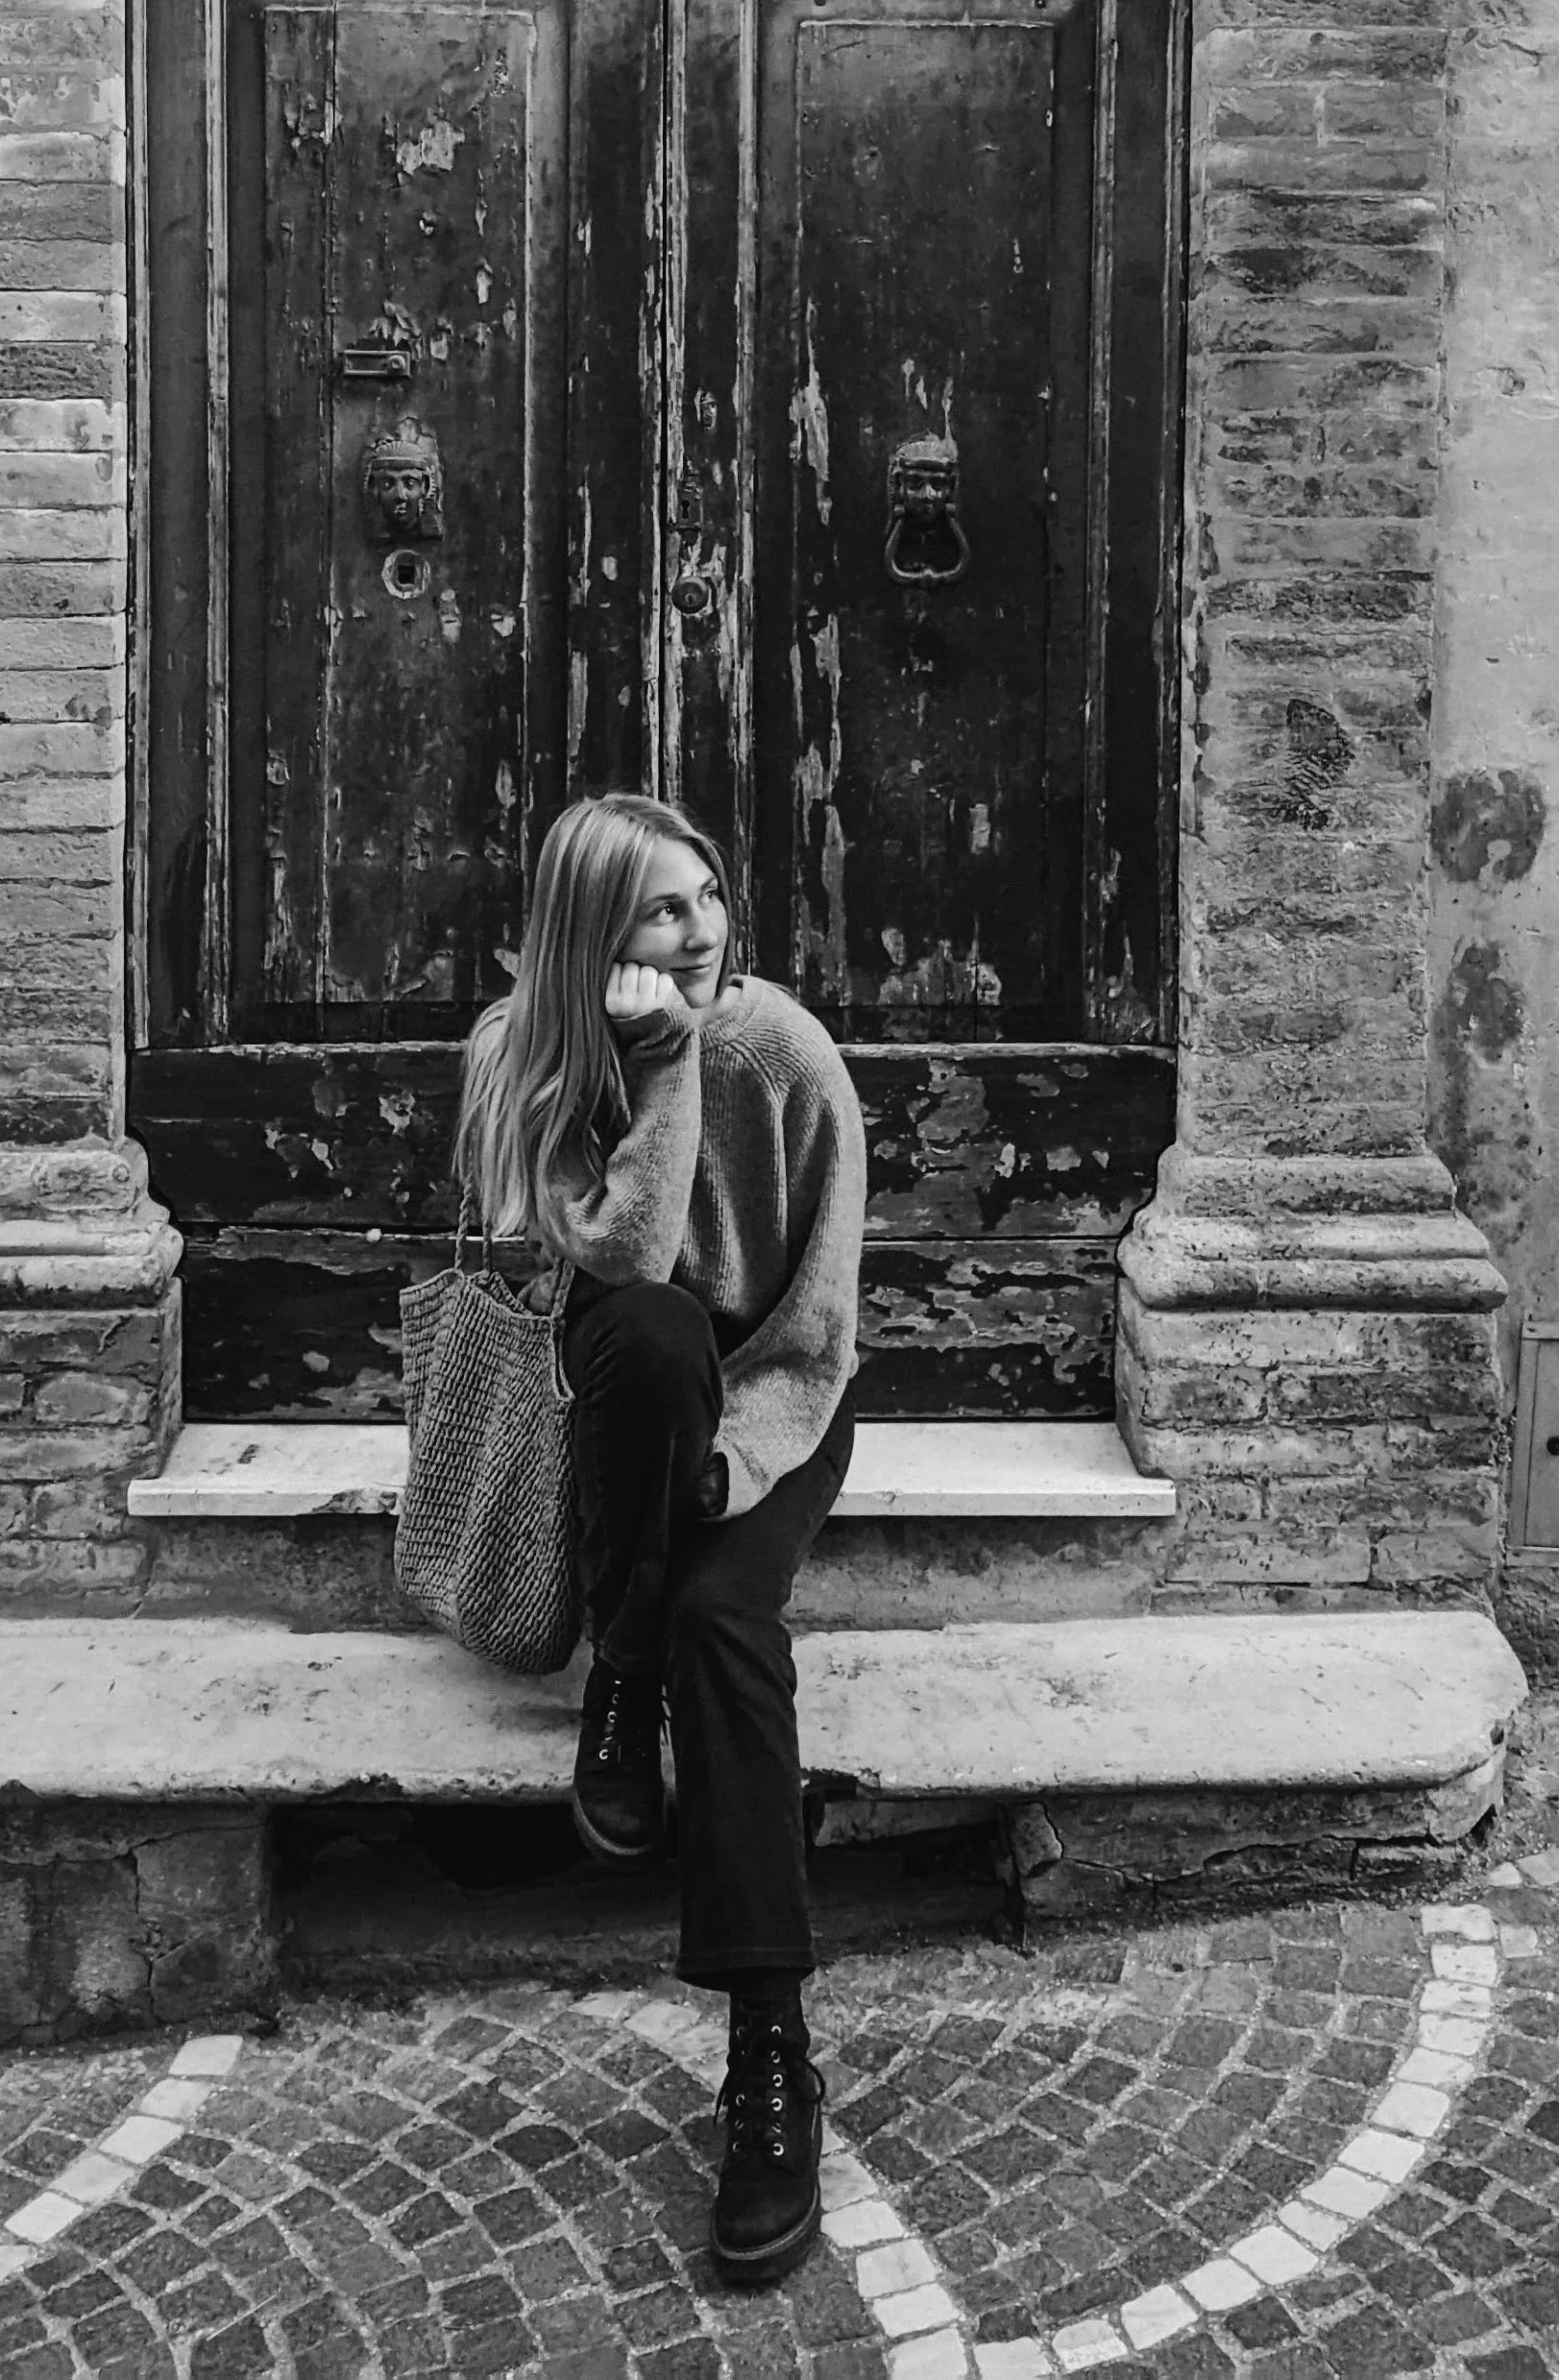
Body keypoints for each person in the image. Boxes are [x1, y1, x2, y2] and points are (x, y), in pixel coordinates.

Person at [452, 790, 866, 2286]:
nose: (699, 933)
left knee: (725, 1626)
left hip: (777, 1415)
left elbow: (818, 1324)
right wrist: (660, 1065)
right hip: (622, 1419)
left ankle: (771, 2053)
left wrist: (739, 1471)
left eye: (707, 901)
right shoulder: (526, 1057)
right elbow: (614, 1267)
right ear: (591, 933)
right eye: (660, 910)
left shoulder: (787, 1049)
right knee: (645, 1317)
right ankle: (622, 1649)